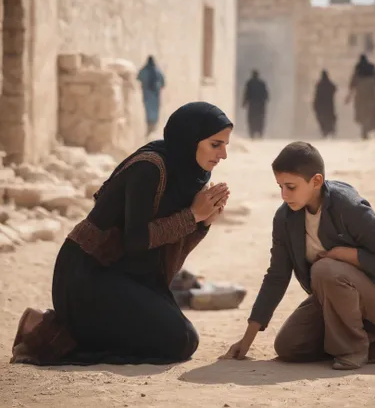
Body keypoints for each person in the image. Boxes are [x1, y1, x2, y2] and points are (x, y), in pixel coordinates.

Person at [11, 102, 233, 366]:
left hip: (129, 275)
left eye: (225, 145)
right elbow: (136, 241)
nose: (223, 155)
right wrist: (193, 216)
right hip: (88, 276)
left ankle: (60, 328)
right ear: (190, 139)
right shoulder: (149, 168)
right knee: (181, 340)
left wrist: (203, 223)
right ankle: (46, 331)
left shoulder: (191, 175)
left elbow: (171, 241)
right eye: (215, 144)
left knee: (180, 339)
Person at [222, 142, 375, 370]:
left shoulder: (348, 206)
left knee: (325, 268)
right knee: (289, 346)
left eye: (291, 187)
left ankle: (353, 349)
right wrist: (247, 339)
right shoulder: (285, 219)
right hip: (332, 299)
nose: (283, 195)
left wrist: (344, 254)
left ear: (316, 181)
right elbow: (276, 277)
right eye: (280, 186)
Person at [345, 55, 375, 140]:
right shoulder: (372, 68)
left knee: (361, 112)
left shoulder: (358, 69)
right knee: (371, 111)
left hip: (361, 94)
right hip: (371, 92)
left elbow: (353, 82)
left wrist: (349, 96)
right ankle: (370, 127)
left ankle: (366, 129)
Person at [137, 55, 166, 136]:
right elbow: (163, 82)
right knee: (155, 109)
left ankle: (149, 126)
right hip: (155, 95)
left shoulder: (144, 70)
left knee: (148, 109)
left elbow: (138, 77)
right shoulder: (157, 71)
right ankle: (153, 126)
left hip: (147, 95)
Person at [242, 70, 269, 139]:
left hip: (253, 105)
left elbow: (246, 94)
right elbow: (266, 95)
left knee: (252, 119)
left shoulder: (250, 83)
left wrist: (244, 103)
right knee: (260, 120)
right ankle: (260, 133)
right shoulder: (261, 83)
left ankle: (252, 134)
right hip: (260, 105)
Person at [313, 70, 337, 138]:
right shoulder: (329, 84)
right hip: (329, 106)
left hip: (322, 106)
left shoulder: (319, 85)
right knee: (330, 119)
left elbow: (316, 95)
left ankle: (326, 131)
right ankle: (329, 131)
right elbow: (334, 89)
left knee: (323, 119)